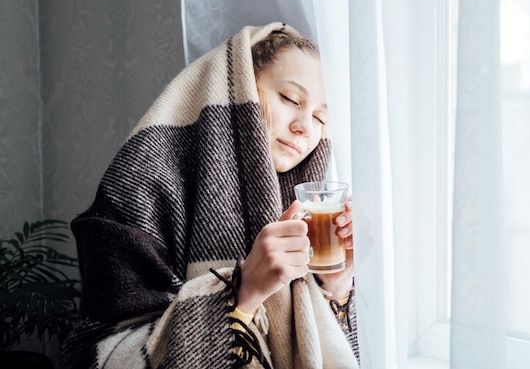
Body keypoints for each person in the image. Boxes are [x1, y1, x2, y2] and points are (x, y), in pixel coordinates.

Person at [60, 22, 359, 369]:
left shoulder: (298, 200)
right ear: (240, 92)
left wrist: (335, 289)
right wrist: (242, 291)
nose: (305, 127)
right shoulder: (143, 180)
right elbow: (101, 355)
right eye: (291, 99)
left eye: (322, 119)